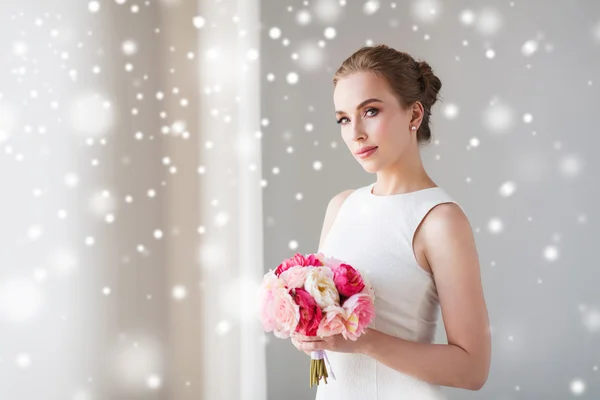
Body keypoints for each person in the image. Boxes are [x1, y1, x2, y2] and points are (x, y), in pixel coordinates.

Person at [290, 44, 491, 399]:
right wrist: (310, 332)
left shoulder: (439, 220)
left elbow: (473, 368)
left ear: (414, 114)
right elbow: (333, 340)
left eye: (370, 111)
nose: (355, 133)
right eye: (343, 118)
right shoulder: (341, 207)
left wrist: (363, 341)